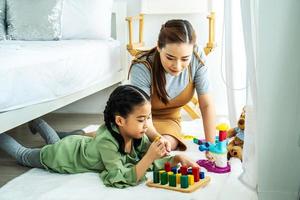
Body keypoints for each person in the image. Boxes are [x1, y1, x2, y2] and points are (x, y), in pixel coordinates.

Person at [0, 85, 198, 188]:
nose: (147, 125)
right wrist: (149, 157)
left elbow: (146, 162)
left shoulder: (138, 134)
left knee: (55, 142)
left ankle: (37, 122)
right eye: (141, 119)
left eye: (148, 118)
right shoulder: (107, 142)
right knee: (24, 155)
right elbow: (116, 177)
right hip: (62, 156)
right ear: (120, 121)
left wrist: (175, 159)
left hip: (76, 145)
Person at [128, 19, 216, 153]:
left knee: (164, 147)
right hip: (139, 119)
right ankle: (86, 135)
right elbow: (141, 114)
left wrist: (211, 145)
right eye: (170, 57)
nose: (177, 66)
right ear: (159, 47)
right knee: (118, 142)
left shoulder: (197, 57)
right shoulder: (142, 66)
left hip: (169, 121)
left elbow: (206, 104)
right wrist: (157, 138)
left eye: (185, 59)